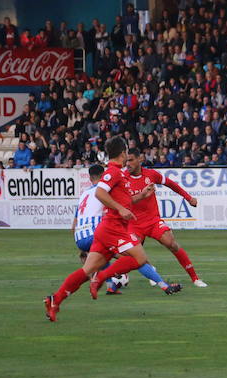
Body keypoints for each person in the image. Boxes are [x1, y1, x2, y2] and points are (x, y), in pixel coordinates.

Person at [45, 136, 154, 322]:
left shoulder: (118, 173)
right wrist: (120, 209)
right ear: (123, 153)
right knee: (140, 258)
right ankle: (101, 277)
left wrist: (141, 196)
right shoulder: (113, 172)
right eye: (127, 151)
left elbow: (124, 201)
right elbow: (99, 192)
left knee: (86, 271)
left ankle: (55, 300)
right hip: (113, 229)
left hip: (105, 230)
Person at [73, 164, 180, 296]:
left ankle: (110, 286)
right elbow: (123, 203)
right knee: (136, 257)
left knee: (104, 256)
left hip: (79, 236)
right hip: (97, 233)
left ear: (90, 178)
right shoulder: (105, 190)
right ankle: (164, 285)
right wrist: (140, 196)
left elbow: (75, 222)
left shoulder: (84, 194)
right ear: (104, 177)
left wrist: (83, 245)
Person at [125, 148, 207, 287]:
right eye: (127, 160)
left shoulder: (151, 175)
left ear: (140, 159)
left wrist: (188, 198)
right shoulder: (122, 178)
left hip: (152, 221)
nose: (128, 163)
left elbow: (171, 184)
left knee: (171, 243)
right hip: (133, 223)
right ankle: (150, 271)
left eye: (131, 160)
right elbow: (122, 201)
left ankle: (195, 278)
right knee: (131, 253)